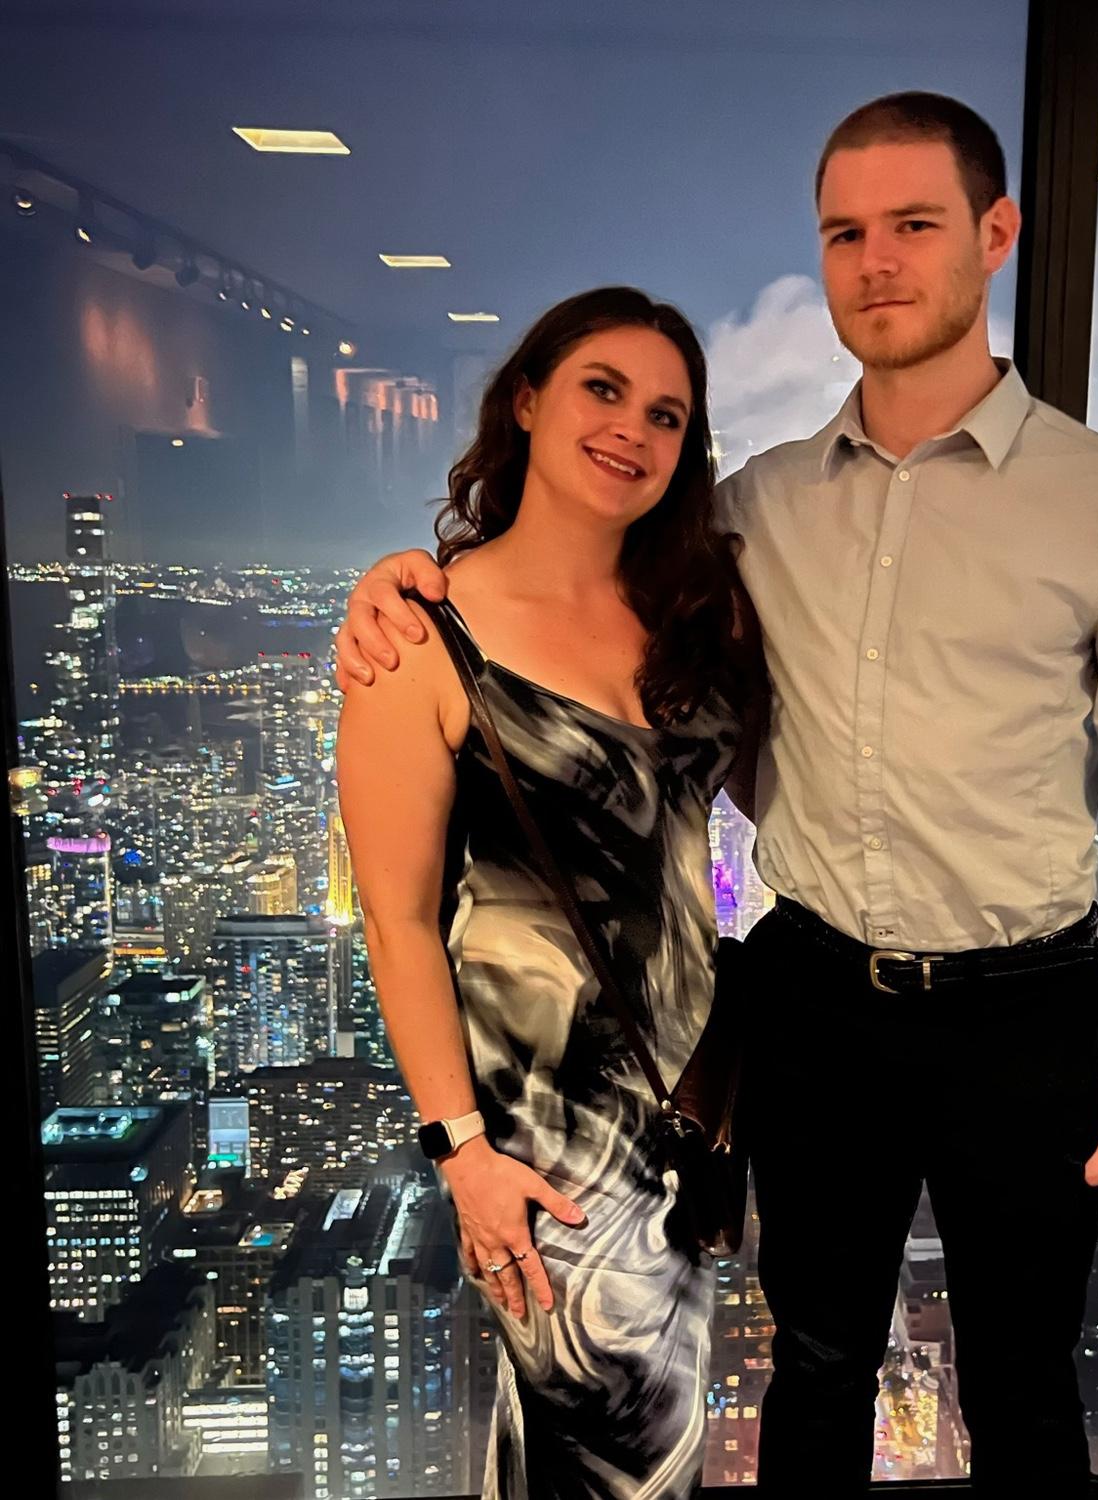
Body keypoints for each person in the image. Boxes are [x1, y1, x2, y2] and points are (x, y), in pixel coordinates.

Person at [334, 92, 1098, 1496]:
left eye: (914, 224)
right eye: (844, 233)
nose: (877, 261)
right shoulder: (752, 509)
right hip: (813, 1004)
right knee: (815, 1374)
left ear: (998, 234)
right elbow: (564, 574)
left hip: (1025, 1010)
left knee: (1024, 1387)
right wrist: (403, 583)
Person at [335, 285, 761, 1500]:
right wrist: (461, 1153)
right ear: (525, 400)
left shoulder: (695, 612)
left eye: (667, 415)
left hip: (692, 1103)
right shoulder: (423, 635)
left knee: (614, 1450)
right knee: (620, 1451)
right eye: (602, 390)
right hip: (546, 1126)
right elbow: (396, 922)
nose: (634, 429)